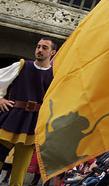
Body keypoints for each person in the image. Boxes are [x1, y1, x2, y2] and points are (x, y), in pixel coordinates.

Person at [0, 37, 56, 186]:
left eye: (44, 47)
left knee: (19, 173)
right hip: (11, 119)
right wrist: (0, 99)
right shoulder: (22, 65)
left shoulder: (54, 75)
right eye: (38, 46)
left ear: (52, 52)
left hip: (32, 125)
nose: (39, 50)